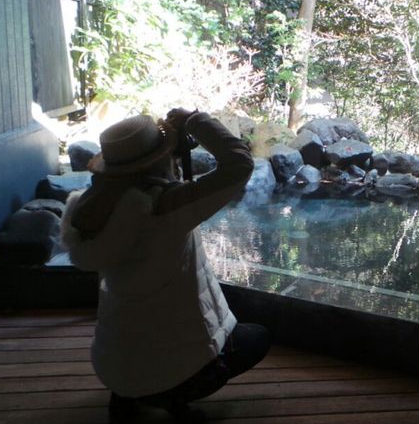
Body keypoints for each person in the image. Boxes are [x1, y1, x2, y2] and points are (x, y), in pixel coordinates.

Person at [60, 109, 270, 423]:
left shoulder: (92, 207)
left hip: (111, 366)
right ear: (161, 157)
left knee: (135, 325)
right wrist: (194, 121)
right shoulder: (166, 208)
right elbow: (239, 164)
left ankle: (127, 395)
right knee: (258, 337)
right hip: (177, 370)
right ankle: (174, 397)